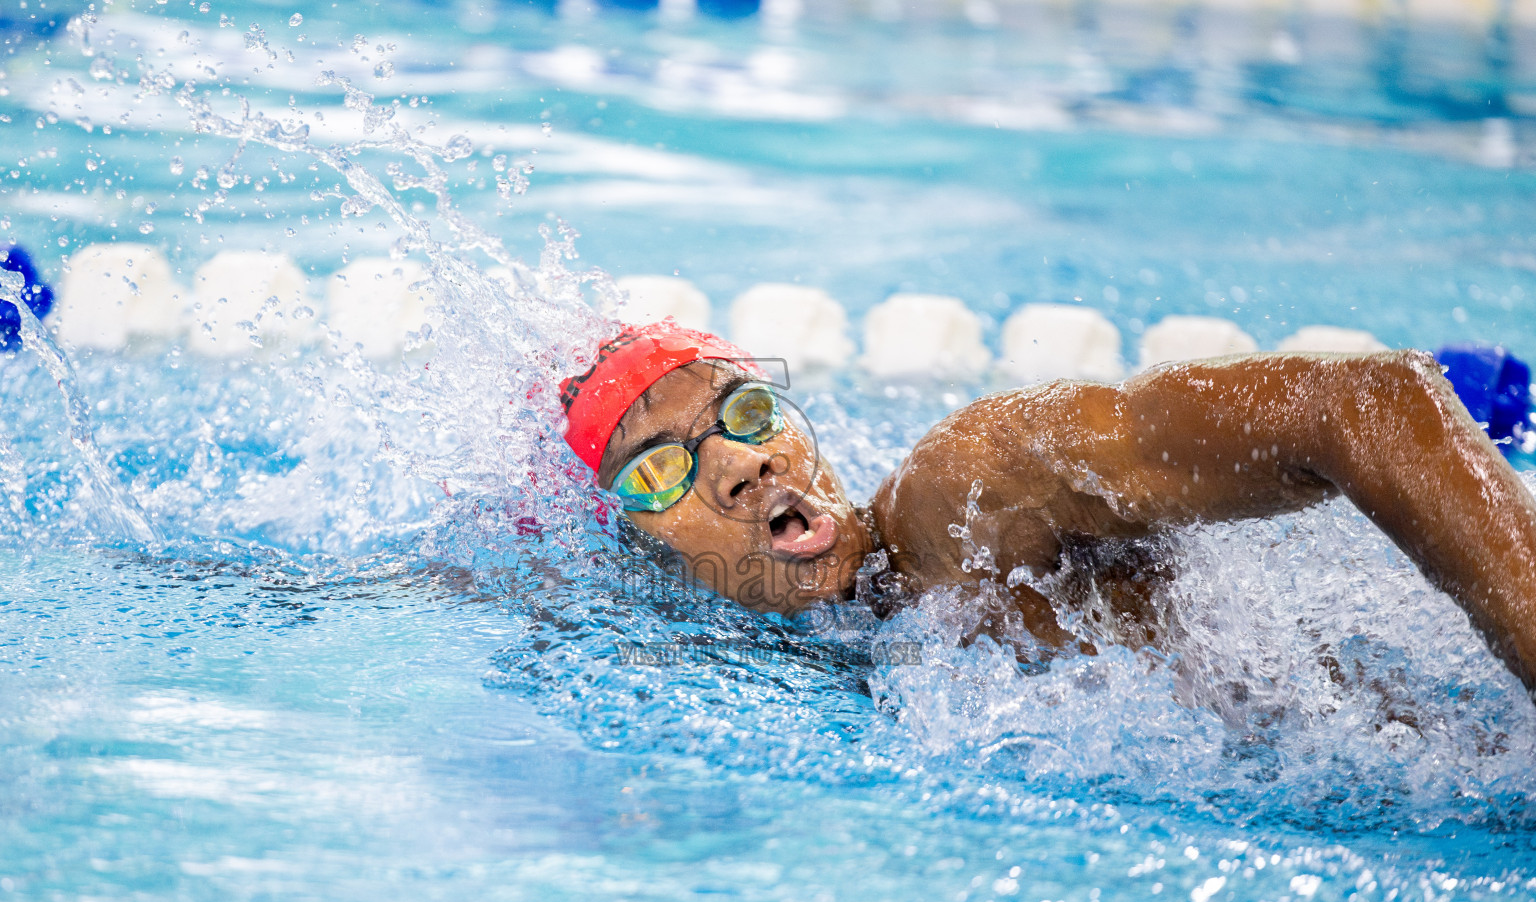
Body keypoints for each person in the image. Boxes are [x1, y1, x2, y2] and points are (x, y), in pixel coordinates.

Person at [560, 321, 1536, 700]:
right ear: (635, 547)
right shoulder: (781, 642)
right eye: (658, 472)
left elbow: (1364, 403)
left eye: (749, 407)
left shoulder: (963, 493)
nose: (742, 458)